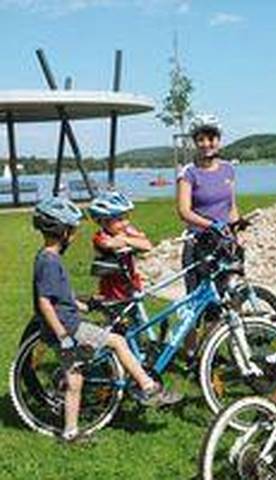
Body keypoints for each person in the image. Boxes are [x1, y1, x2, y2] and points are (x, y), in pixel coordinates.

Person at [31, 198, 181, 443]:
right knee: (118, 342)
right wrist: (63, 335)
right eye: (72, 231)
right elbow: (45, 302)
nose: (75, 236)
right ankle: (148, 387)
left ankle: (70, 432)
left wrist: (82, 304)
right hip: (68, 328)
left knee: (75, 381)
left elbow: (58, 298)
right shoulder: (49, 262)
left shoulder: (47, 257)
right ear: (63, 232)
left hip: (66, 323)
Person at [176, 113, 240, 293]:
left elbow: (231, 206)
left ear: (218, 140)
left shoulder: (228, 169)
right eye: (201, 139)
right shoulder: (188, 173)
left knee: (227, 295)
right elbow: (184, 211)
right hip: (199, 244)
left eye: (211, 138)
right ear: (195, 143)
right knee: (199, 298)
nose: (206, 144)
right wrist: (212, 225)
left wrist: (235, 234)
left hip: (223, 243)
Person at [89, 191, 152, 300]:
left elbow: (147, 246)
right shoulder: (100, 237)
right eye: (120, 220)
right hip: (113, 292)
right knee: (121, 311)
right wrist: (134, 238)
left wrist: (127, 239)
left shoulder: (124, 234)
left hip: (131, 285)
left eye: (126, 217)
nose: (126, 223)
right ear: (104, 222)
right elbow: (109, 243)